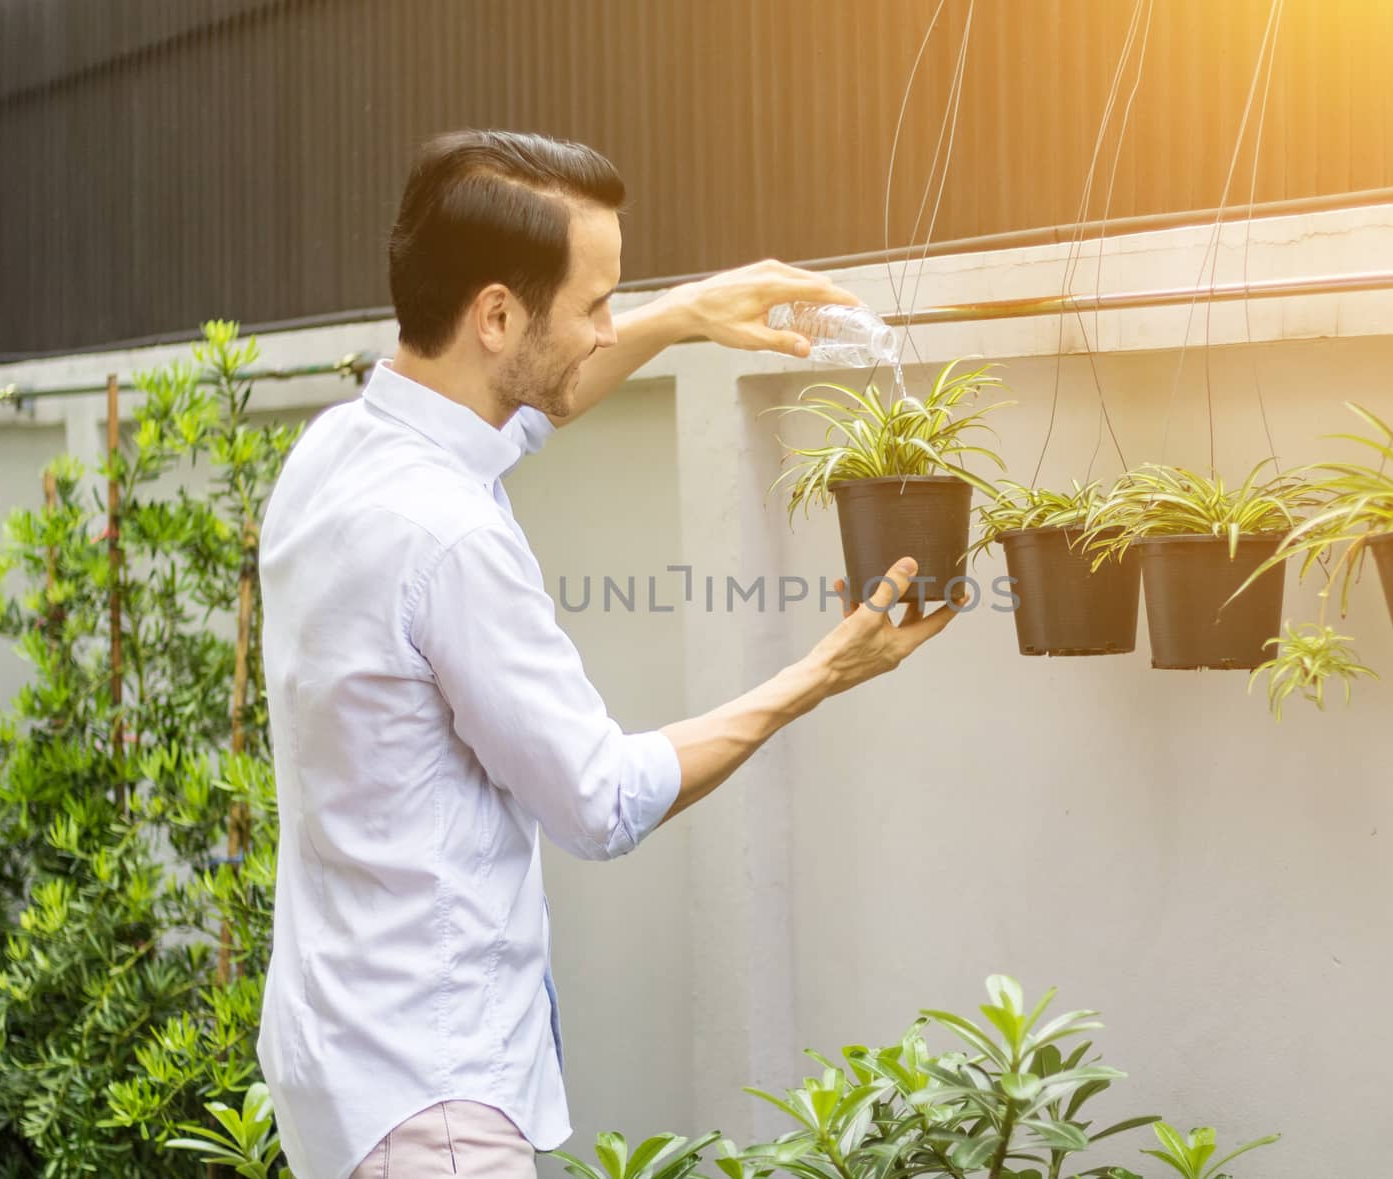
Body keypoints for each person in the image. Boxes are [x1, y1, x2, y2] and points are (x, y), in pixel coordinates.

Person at [256, 129, 961, 1179]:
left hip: (339, 1055)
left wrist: (686, 315)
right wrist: (822, 674)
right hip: (434, 1105)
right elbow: (600, 800)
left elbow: (536, 408)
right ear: (496, 315)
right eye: (595, 306)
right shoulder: (449, 537)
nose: (604, 331)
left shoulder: (337, 453)